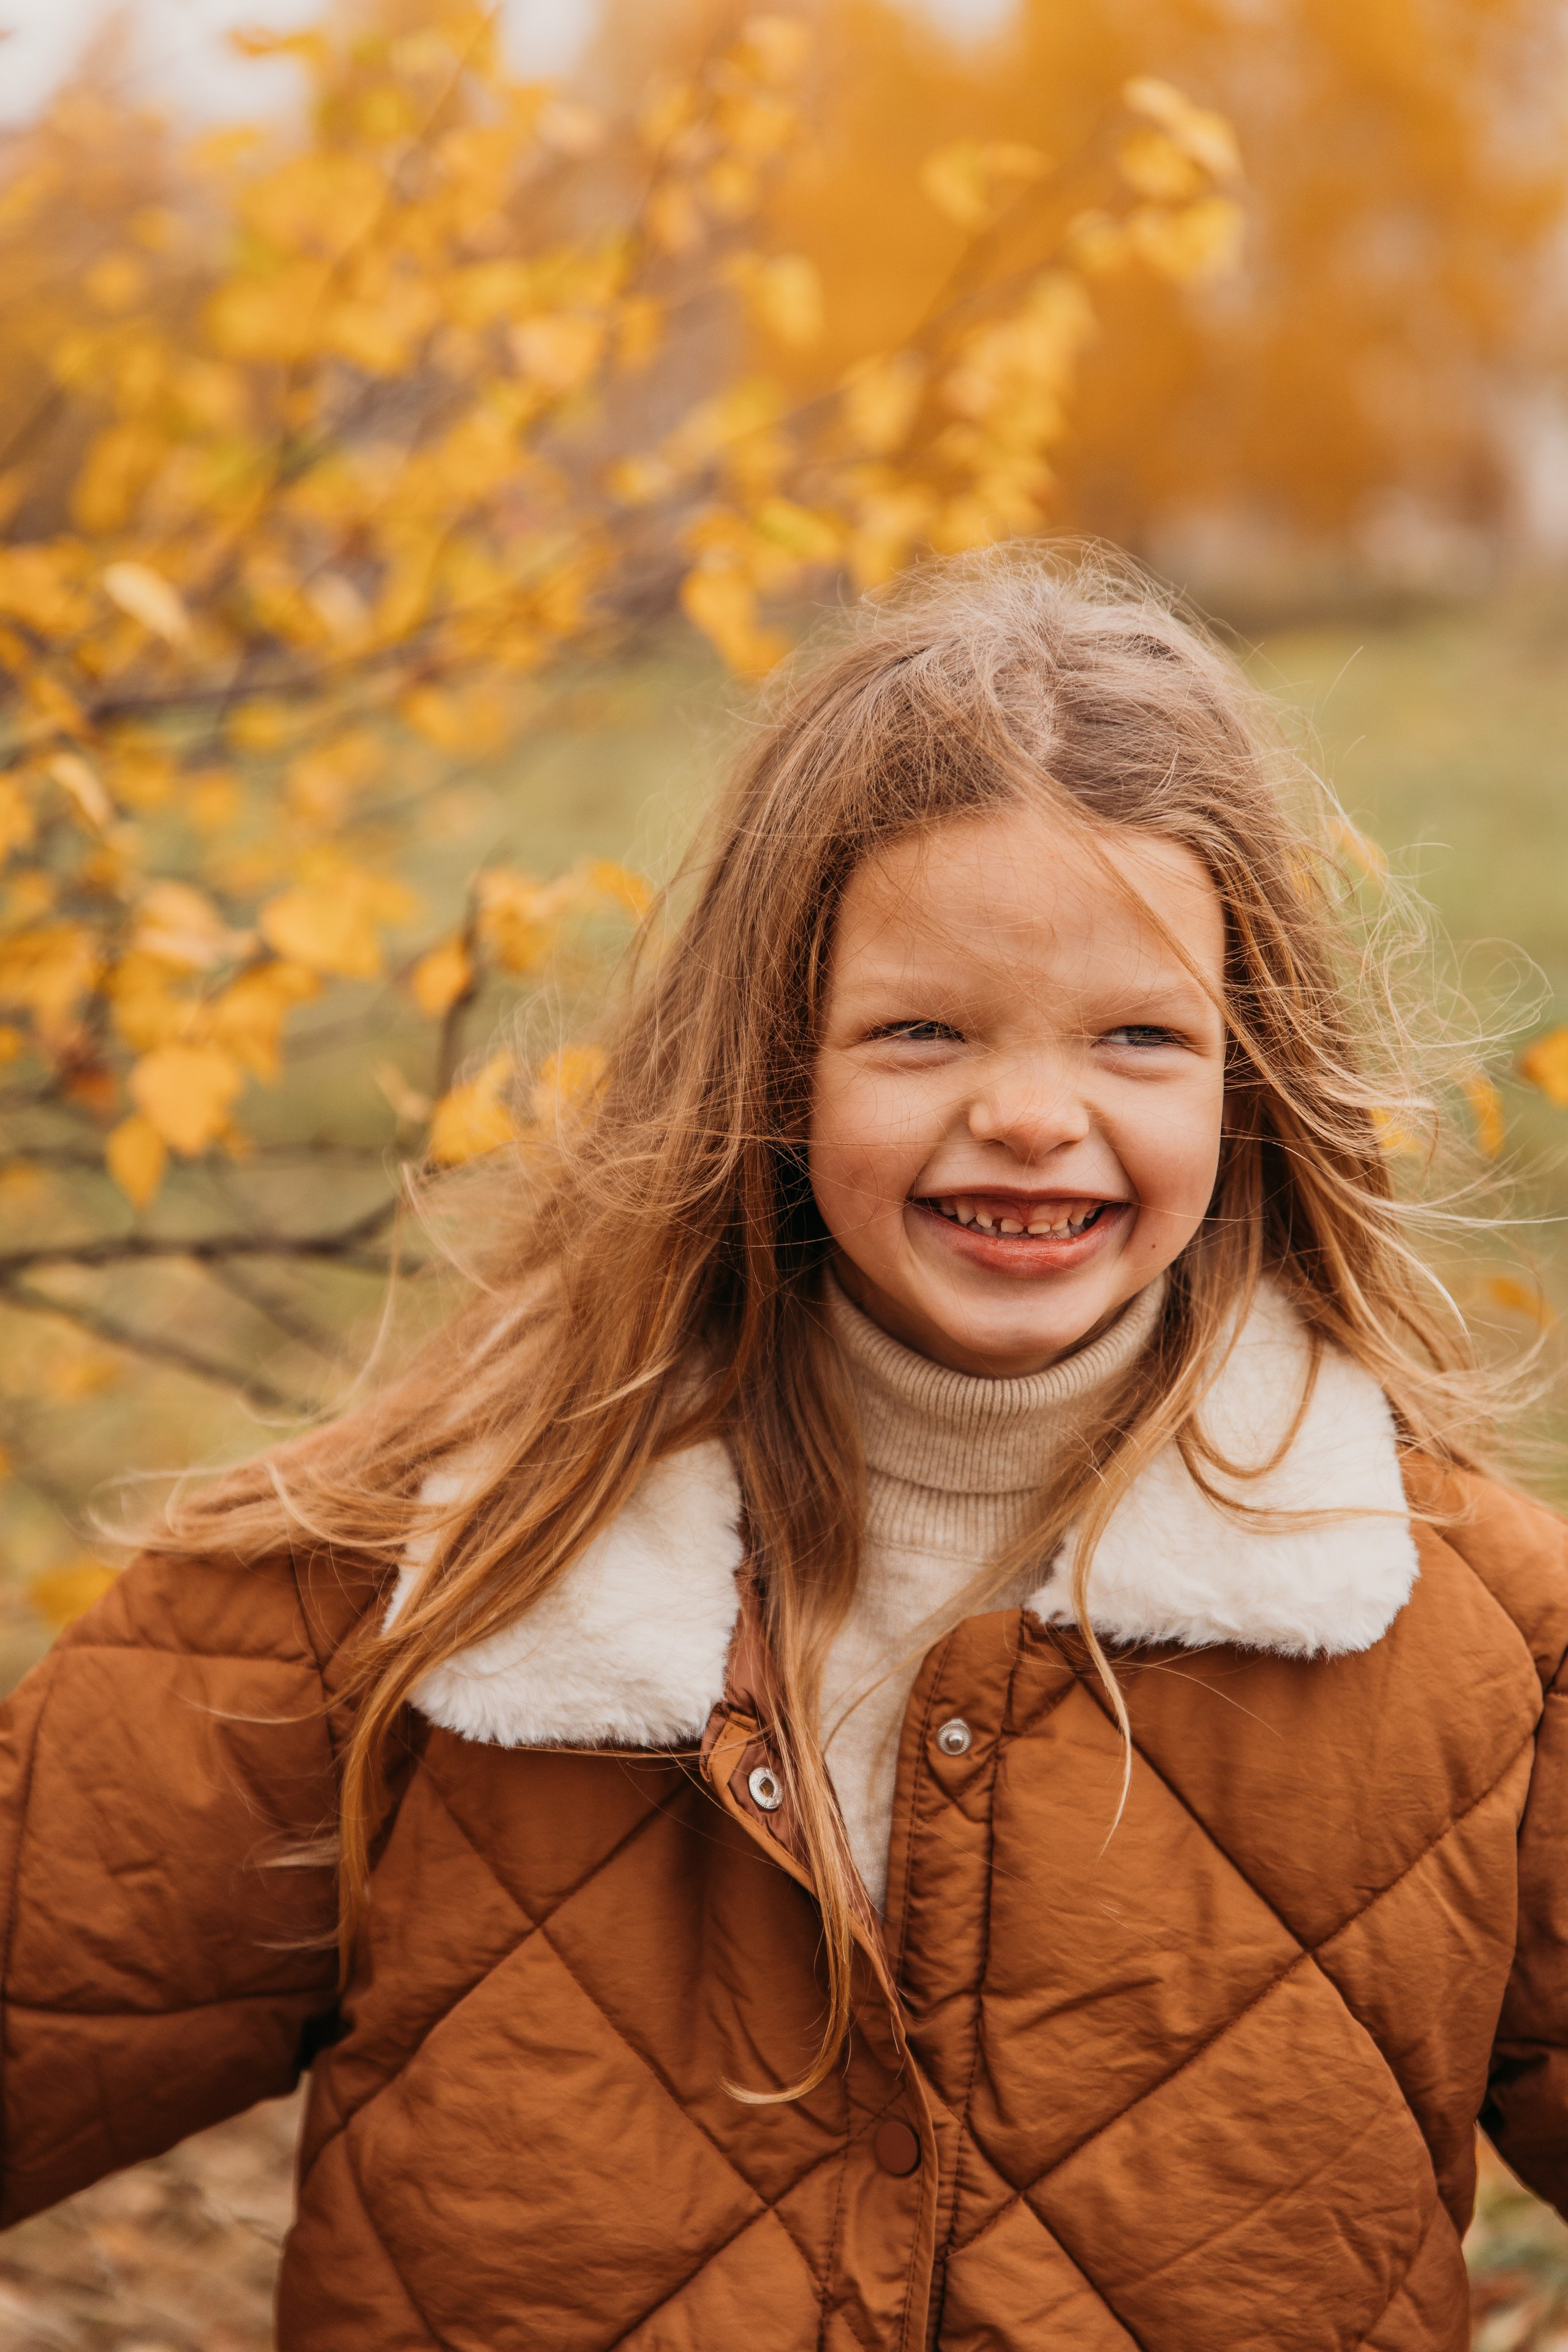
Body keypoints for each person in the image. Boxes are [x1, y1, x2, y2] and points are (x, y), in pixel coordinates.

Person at [0, 548, 1562, 2351]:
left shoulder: (1472, 1637)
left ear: (1248, 1076)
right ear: (769, 1068)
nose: (1032, 1115)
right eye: (921, 1032)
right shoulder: (434, 1573)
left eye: (1139, 1037)